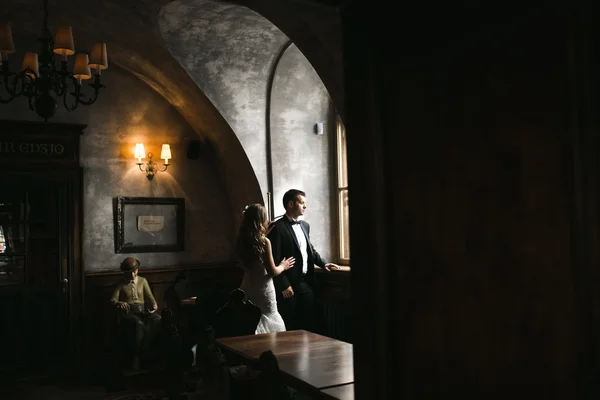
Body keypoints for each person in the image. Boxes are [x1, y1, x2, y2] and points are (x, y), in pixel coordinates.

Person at [268, 189, 339, 332]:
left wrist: (323, 263)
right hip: (289, 285)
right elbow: (275, 259)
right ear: (290, 204)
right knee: (291, 324)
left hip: (306, 282)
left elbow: (309, 250)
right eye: (302, 203)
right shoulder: (277, 227)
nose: (305, 206)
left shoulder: (305, 225)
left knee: (308, 322)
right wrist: (283, 284)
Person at [236, 203, 295, 334]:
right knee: (269, 315)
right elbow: (272, 271)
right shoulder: (264, 242)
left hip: (247, 285)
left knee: (251, 317)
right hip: (263, 287)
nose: (268, 220)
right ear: (260, 220)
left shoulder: (242, 240)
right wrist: (283, 266)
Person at [109, 257, 162, 370]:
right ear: (124, 273)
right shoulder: (121, 284)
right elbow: (112, 300)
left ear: (138, 270)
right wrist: (119, 302)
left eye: (135, 271)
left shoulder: (143, 281)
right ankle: (136, 356)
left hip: (142, 311)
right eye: (129, 273)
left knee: (157, 319)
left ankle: (145, 351)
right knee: (138, 324)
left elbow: (149, 297)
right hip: (128, 313)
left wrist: (154, 304)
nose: (132, 275)